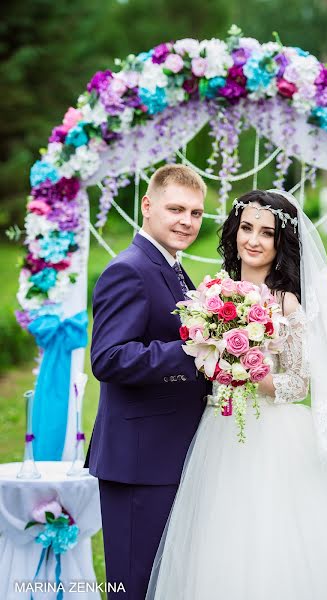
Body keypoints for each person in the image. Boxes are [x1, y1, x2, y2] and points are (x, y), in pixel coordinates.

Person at [146, 189, 327, 599]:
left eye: (266, 233)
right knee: (219, 533)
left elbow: (298, 385)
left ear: (280, 243)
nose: (253, 240)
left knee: (276, 534)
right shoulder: (216, 292)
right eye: (246, 228)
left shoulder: (287, 304)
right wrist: (209, 354)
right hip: (220, 427)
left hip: (275, 434)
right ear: (234, 232)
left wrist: (247, 366)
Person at [85, 164, 211, 598]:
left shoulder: (172, 267)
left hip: (168, 454)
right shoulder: (130, 269)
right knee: (132, 584)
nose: (186, 221)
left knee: (162, 582)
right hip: (138, 462)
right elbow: (108, 357)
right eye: (176, 208)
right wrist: (195, 350)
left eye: (196, 213)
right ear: (147, 205)